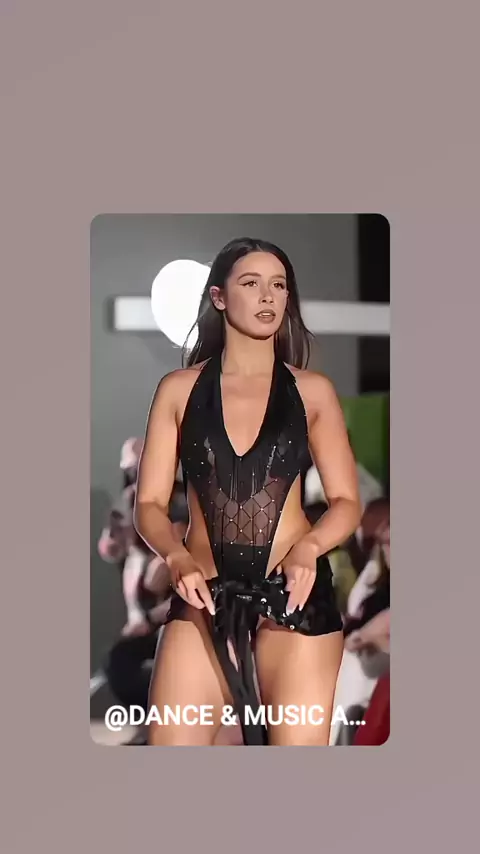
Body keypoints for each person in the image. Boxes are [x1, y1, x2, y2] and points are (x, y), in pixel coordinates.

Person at [135, 236, 362, 746]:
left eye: (278, 286)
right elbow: (147, 505)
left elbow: (347, 502)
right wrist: (174, 556)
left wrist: (310, 547)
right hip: (202, 597)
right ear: (218, 297)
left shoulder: (313, 391)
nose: (267, 296)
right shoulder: (178, 389)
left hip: (294, 596)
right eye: (251, 283)